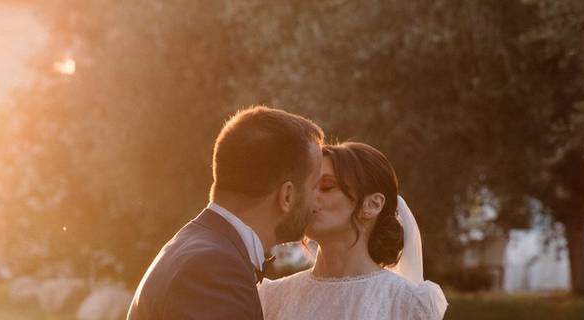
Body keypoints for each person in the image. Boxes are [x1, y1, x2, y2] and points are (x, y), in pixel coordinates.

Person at [127, 105, 324, 320]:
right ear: (287, 196)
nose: (318, 201)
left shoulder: (204, 250)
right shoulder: (212, 269)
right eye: (315, 187)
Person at [259, 142, 448, 319]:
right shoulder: (271, 297)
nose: (309, 197)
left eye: (326, 187)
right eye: (309, 187)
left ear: (373, 205)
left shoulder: (408, 304)